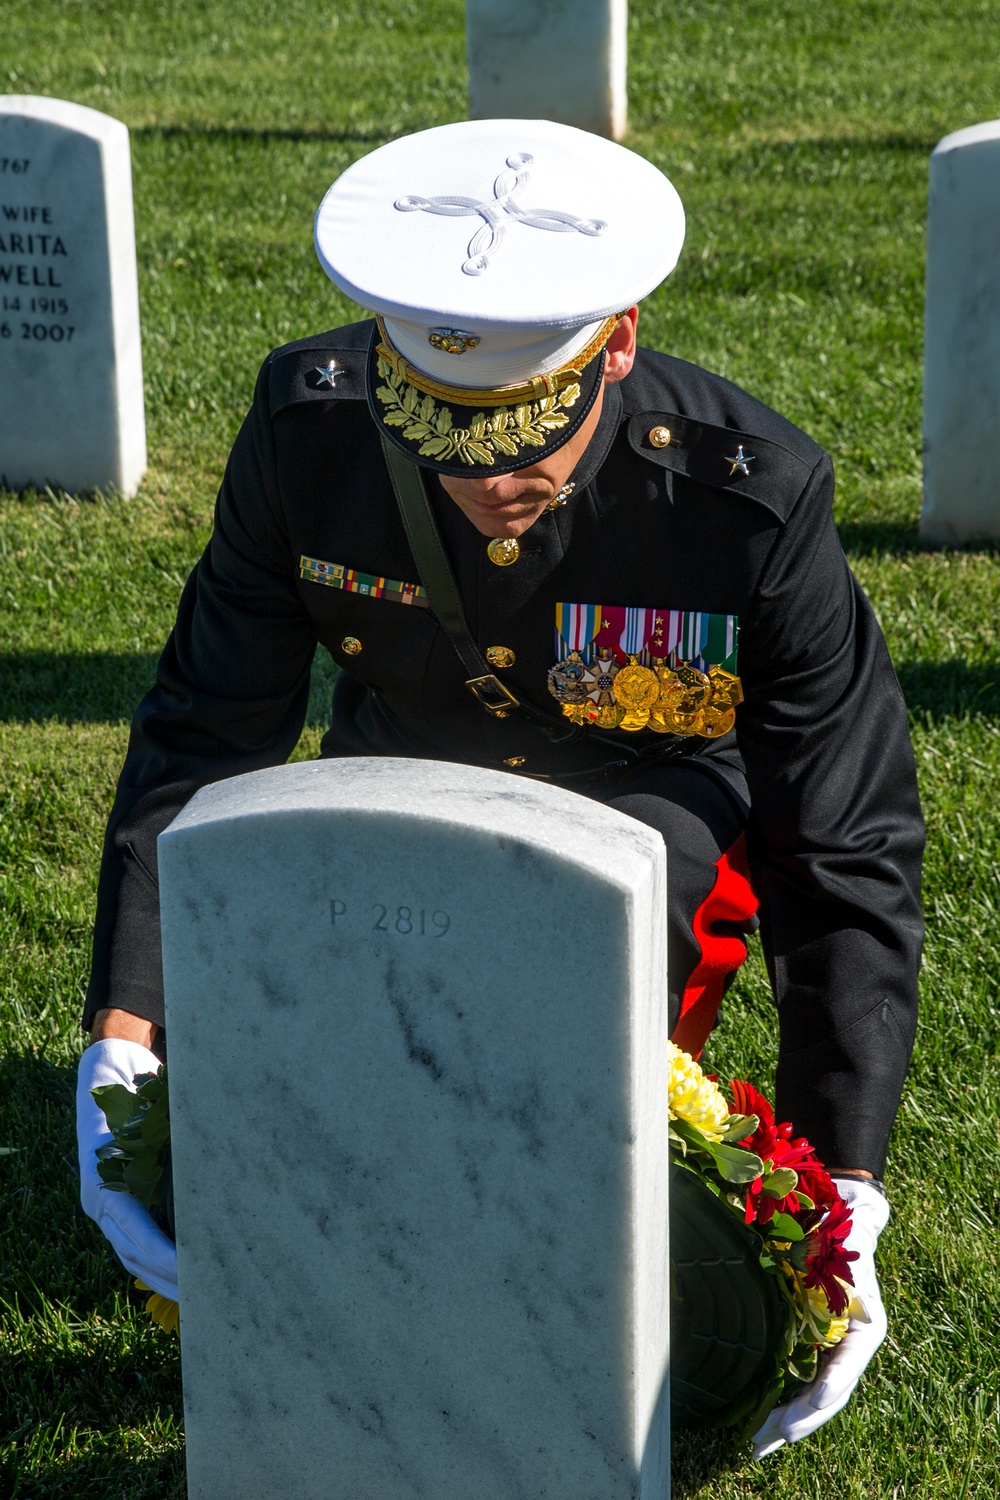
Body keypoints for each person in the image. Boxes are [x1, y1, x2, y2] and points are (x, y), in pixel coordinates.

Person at [76, 118, 923, 1458]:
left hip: (645, 816)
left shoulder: (747, 505)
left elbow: (846, 835)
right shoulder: (310, 435)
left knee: (568, 1094)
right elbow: (205, 729)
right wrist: (126, 1031)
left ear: (619, 347)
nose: (482, 482)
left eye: (525, 437)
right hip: (397, 784)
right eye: (438, 442)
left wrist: (845, 1179)